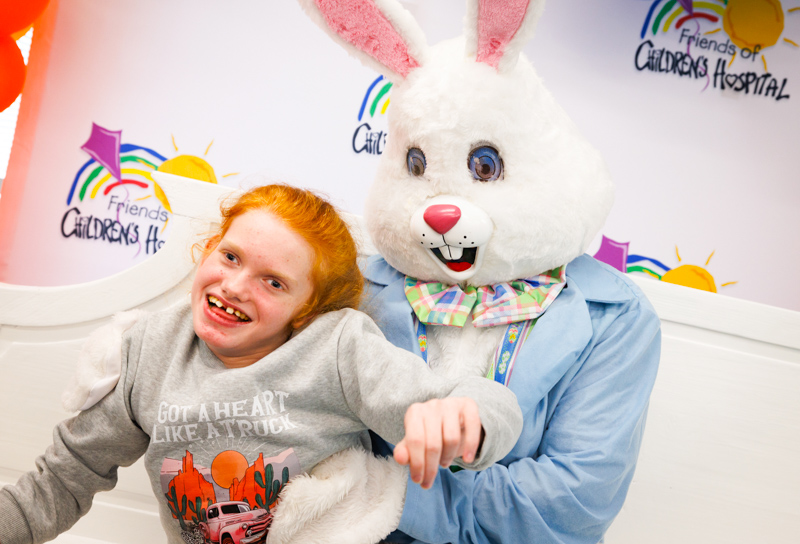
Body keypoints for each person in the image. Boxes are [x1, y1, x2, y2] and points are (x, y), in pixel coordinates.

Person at [0, 184, 523, 544]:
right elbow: (62, 481)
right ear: (207, 250)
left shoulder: (337, 346)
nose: (234, 286)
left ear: (308, 310)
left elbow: (483, 404)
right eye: (229, 257)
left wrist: (464, 419)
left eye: (273, 282)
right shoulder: (149, 347)